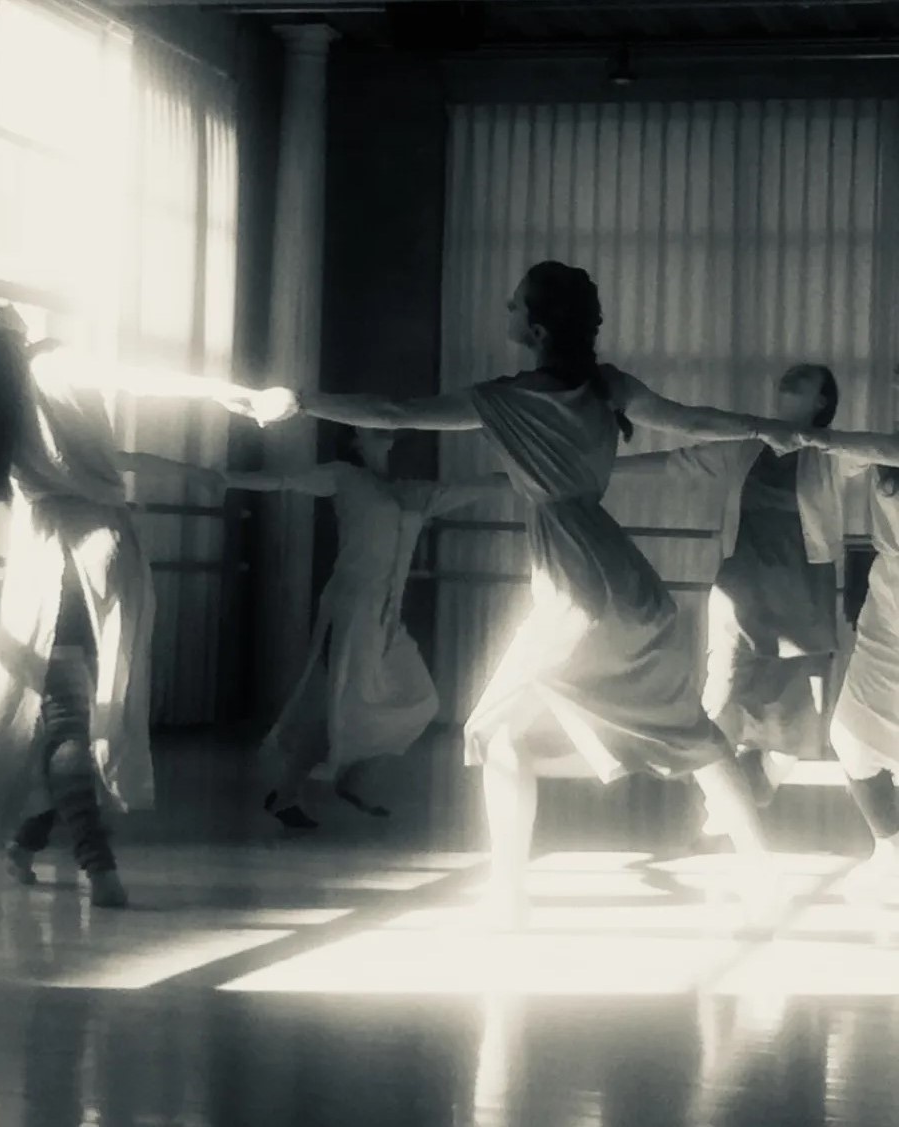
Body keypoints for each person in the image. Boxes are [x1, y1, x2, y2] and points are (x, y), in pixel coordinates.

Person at [233, 261, 786, 928]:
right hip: (622, 575)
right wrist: (767, 426)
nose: (506, 308)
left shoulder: (507, 397)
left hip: (577, 582)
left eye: (514, 302)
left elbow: (393, 413)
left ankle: (507, 891)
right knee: (684, 731)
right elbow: (690, 420)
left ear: (538, 325)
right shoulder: (605, 385)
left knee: (498, 733)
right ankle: (759, 869)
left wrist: (299, 399)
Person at [0, 292, 225, 907]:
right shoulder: (46, 364)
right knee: (79, 722)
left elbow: (101, 454)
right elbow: (136, 383)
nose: (11, 309)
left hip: (42, 570)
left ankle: (26, 841)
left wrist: (190, 472)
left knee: (77, 720)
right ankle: (100, 867)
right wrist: (235, 397)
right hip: (88, 561)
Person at [217, 425, 511, 828]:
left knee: (418, 699)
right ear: (354, 439)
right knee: (341, 704)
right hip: (352, 607)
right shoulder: (344, 476)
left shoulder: (411, 491)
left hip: (387, 614)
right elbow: (284, 481)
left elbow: (482, 486)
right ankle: (313, 788)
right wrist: (223, 478)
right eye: (369, 426)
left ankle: (324, 783)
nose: (382, 430)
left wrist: (537, 471)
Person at [615, 364, 866, 824]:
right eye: (789, 374)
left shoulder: (835, 455)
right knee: (717, 704)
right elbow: (679, 462)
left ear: (822, 402)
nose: (792, 376)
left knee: (801, 722)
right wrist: (599, 470)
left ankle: (750, 801)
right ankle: (724, 810)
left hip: (803, 600)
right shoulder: (746, 447)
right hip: (740, 593)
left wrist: (822, 441)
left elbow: (877, 452)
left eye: (807, 377)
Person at [769, 420, 899, 888]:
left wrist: (819, 437)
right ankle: (890, 849)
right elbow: (837, 467)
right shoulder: (881, 448)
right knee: (853, 737)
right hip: (889, 603)